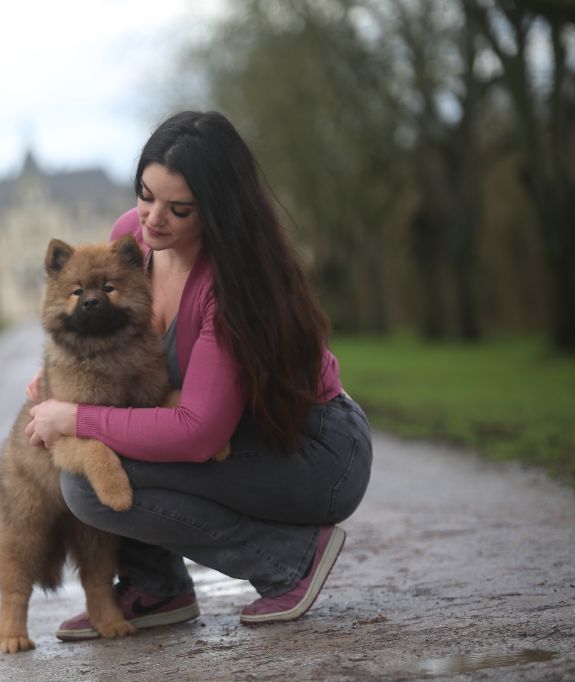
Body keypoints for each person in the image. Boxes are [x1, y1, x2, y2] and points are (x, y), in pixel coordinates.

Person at [25, 110, 372, 641]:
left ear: (217, 210)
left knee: (92, 483)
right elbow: (101, 330)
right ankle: (156, 586)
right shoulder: (131, 242)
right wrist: (58, 380)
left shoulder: (231, 286)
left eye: (178, 208)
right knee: (112, 446)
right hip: (241, 440)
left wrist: (75, 416)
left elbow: (198, 431)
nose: (151, 219)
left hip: (314, 451)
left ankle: (289, 559)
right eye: (145, 194)